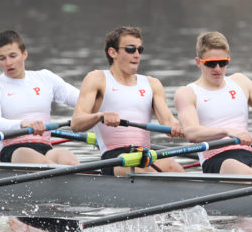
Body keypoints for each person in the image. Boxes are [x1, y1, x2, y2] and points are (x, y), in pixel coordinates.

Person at [71, 26, 185, 175]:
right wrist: (100, 116)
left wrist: (178, 127)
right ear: (113, 52)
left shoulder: (152, 83)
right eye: (130, 49)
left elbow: (168, 120)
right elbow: (76, 123)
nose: (137, 55)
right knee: (150, 175)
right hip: (115, 159)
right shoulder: (97, 79)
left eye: (140, 50)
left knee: (174, 167)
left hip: (145, 155)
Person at [174, 31, 252, 176]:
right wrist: (226, 131)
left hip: (246, 154)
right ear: (198, 62)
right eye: (211, 64)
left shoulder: (241, 82)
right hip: (215, 160)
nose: (218, 68)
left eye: (223, 62)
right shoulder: (187, 93)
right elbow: (191, 133)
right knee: (238, 169)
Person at [0, 30, 81, 165]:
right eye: (2, 58)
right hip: (15, 150)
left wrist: (105, 110)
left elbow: (82, 101)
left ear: (24, 54)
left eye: (13, 56)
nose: (8, 63)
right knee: (36, 160)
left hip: (45, 148)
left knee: (67, 158)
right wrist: (22, 124)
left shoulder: (45, 78)